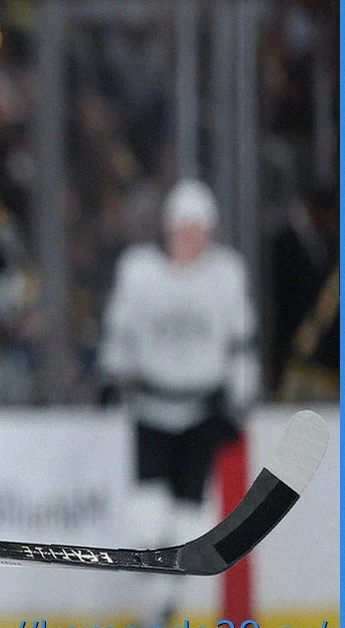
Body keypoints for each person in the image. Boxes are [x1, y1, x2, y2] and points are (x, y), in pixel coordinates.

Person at [99, 179, 258, 625]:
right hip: (151, 408)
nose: (191, 238)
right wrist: (111, 377)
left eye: (199, 229)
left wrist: (240, 400)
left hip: (203, 410)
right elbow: (120, 333)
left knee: (189, 519)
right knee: (148, 518)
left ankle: (164, 605)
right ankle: (153, 603)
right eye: (184, 228)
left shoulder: (226, 274)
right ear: (169, 228)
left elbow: (241, 344)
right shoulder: (140, 272)